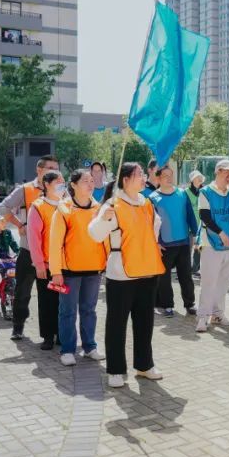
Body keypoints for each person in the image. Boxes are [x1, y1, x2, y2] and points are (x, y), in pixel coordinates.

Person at [88, 162, 165, 388]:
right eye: (139, 174)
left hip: (147, 271)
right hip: (121, 273)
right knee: (117, 324)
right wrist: (103, 219)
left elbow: (155, 229)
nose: (143, 178)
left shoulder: (146, 203)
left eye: (142, 174)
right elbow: (94, 234)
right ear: (126, 179)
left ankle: (144, 365)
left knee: (145, 322)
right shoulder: (113, 204)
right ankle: (115, 370)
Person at [0, 154, 59, 340]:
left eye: (57, 169)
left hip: (50, 253)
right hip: (28, 250)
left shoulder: (60, 191)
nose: (55, 172)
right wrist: (19, 224)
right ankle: (18, 327)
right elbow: (3, 207)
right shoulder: (25, 190)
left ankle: (52, 332)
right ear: (39, 170)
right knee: (22, 292)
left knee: (50, 295)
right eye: (50, 168)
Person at [50, 168, 108, 365]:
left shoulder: (99, 209)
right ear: (73, 185)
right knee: (67, 311)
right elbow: (55, 243)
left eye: (92, 180)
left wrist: (108, 263)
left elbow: (105, 239)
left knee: (89, 310)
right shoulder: (63, 209)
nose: (90, 184)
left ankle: (90, 346)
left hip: (94, 269)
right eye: (85, 181)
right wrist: (56, 271)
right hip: (69, 271)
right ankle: (67, 350)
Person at [196, 160, 229, 332]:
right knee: (209, 281)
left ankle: (217, 313)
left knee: (224, 281)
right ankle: (203, 316)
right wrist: (221, 233)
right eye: (228, 171)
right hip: (211, 243)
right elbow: (205, 216)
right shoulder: (206, 192)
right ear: (218, 171)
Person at [150, 163, 199, 317]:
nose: (169, 178)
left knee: (186, 276)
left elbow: (190, 215)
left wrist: (196, 235)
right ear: (158, 178)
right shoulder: (152, 198)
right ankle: (167, 305)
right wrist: (155, 243)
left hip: (183, 242)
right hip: (164, 245)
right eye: (165, 176)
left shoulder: (182, 194)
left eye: (171, 175)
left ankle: (190, 304)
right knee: (164, 278)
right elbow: (150, 224)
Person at [27, 170, 66, 349]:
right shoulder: (38, 207)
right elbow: (34, 238)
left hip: (65, 265)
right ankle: (48, 336)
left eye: (63, 181)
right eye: (58, 182)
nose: (61, 185)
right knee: (47, 301)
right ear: (47, 185)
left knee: (63, 302)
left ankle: (62, 334)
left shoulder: (67, 205)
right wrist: (39, 264)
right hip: (47, 265)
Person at [185, 171, 205, 277]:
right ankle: (185, 270)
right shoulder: (185, 192)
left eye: (201, 178)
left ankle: (195, 269)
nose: (200, 179)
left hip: (200, 226)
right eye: (198, 178)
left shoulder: (203, 191)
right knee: (187, 249)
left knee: (199, 248)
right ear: (192, 180)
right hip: (188, 225)